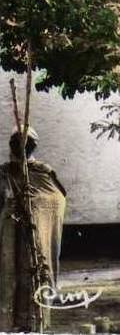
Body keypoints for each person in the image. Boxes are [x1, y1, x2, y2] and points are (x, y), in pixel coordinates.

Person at [0, 130, 67, 333]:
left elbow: (57, 201)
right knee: (10, 271)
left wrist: (34, 205)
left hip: (35, 236)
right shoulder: (5, 173)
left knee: (32, 271)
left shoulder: (42, 172)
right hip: (9, 235)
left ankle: (31, 320)